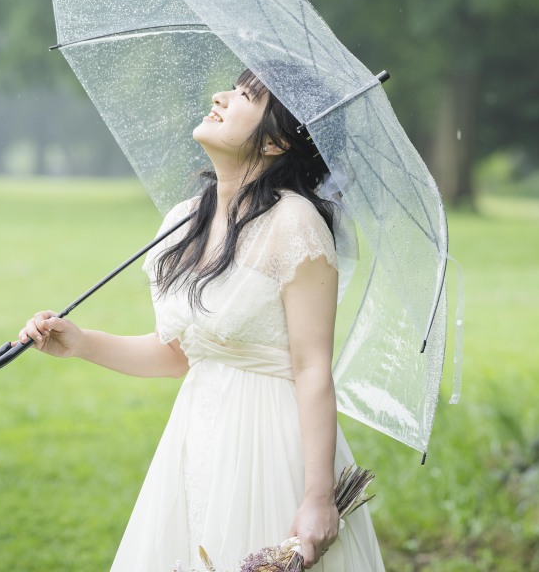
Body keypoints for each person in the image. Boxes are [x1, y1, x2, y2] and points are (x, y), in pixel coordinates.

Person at [19, 69, 385, 572]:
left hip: (268, 446)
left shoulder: (296, 224)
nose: (220, 96)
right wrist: (80, 342)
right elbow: (179, 355)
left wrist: (318, 496)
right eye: (233, 89)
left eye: (244, 96)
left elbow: (312, 368)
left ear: (277, 141)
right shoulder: (184, 220)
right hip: (195, 434)